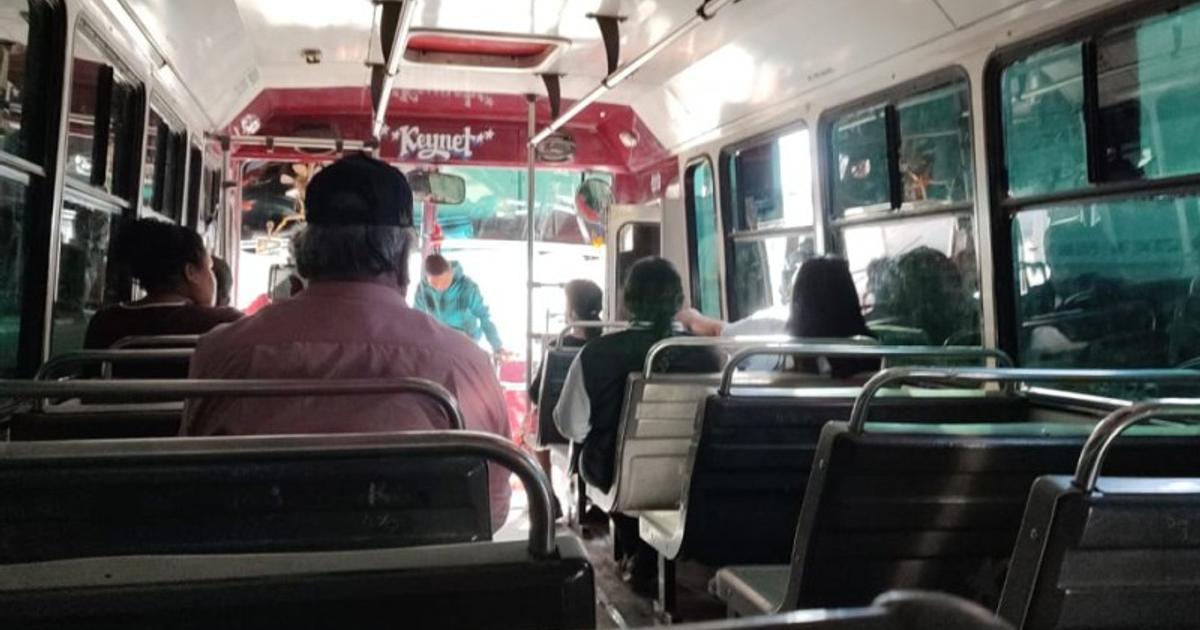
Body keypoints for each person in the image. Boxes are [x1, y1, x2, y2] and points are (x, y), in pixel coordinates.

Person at [181, 153, 512, 530]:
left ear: (304, 249)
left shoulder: (222, 354)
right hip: (415, 582)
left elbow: (193, 489)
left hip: (256, 580)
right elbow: (492, 509)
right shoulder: (465, 364)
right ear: (402, 256)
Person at [554, 257, 721, 592]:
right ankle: (645, 553)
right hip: (691, 472)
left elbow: (570, 426)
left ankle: (635, 550)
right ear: (679, 301)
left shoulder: (596, 354)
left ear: (628, 301)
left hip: (617, 473)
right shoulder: (710, 355)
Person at [677, 257, 878, 377]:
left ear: (797, 298)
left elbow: (714, 330)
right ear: (850, 297)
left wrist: (689, 315)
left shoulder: (767, 334)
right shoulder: (871, 350)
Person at [84, 218, 242, 349]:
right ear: (191, 272)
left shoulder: (103, 323)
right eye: (210, 267)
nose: (213, 277)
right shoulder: (226, 324)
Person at [414, 253, 506, 357]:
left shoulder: (468, 288)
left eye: (444, 282)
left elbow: (484, 317)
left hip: (466, 341)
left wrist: (497, 346)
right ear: (427, 279)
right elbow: (417, 319)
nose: (439, 287)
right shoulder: (423, 289)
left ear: (451, 273)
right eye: (434, 284)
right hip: (438, 341)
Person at [529, 279, 604, 405]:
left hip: (559, 422)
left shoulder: (557, 348)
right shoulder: (606, 347)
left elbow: (536, 394)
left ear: (573, 313)